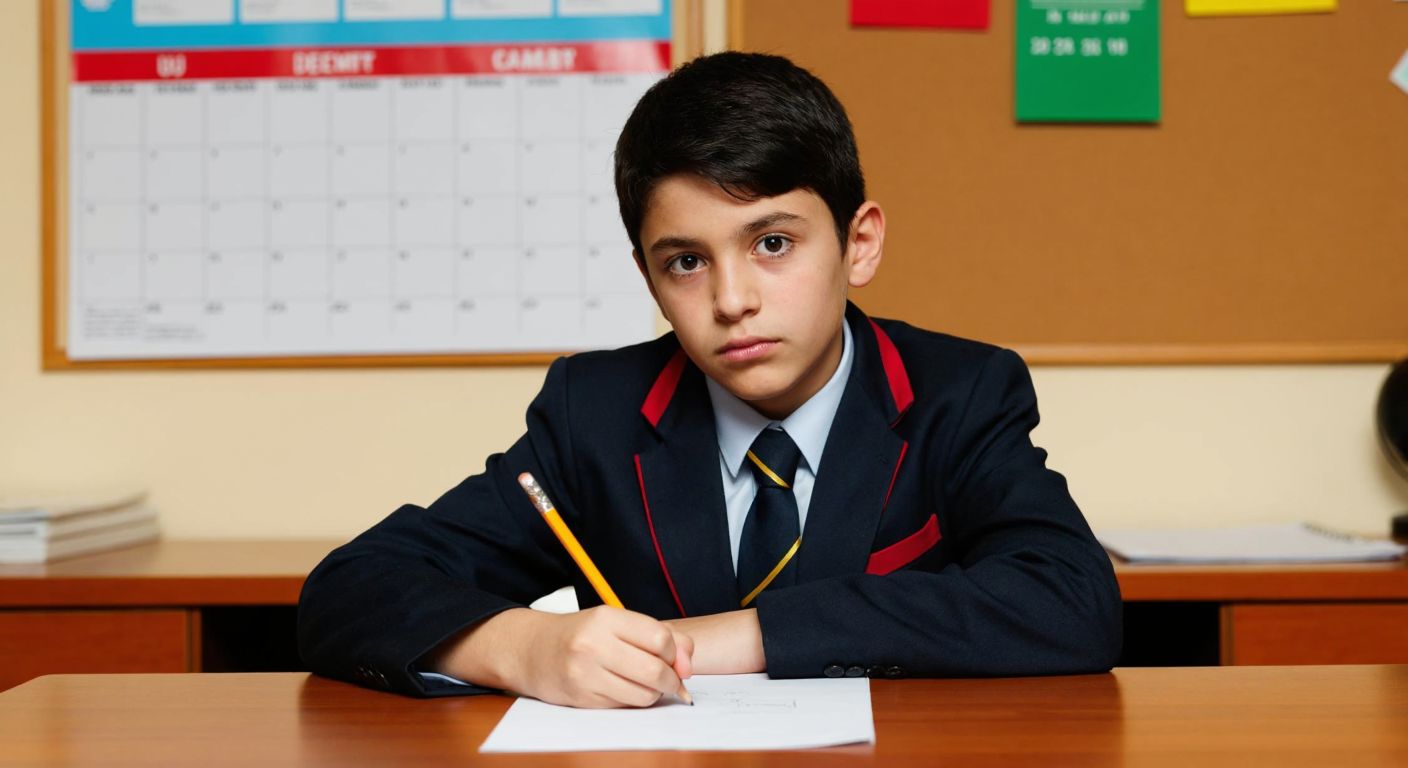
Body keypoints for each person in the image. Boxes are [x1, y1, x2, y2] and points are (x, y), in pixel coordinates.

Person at [297, 52, 1122, 707]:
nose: (732, 301)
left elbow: (1072, 603)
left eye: (772, 243)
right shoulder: (597, 415)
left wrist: (737, 638)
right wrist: (525, 647)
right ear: (648, 277)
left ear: (858, 243)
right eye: (686, 262)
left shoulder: (959, 391)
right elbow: (349, 591)